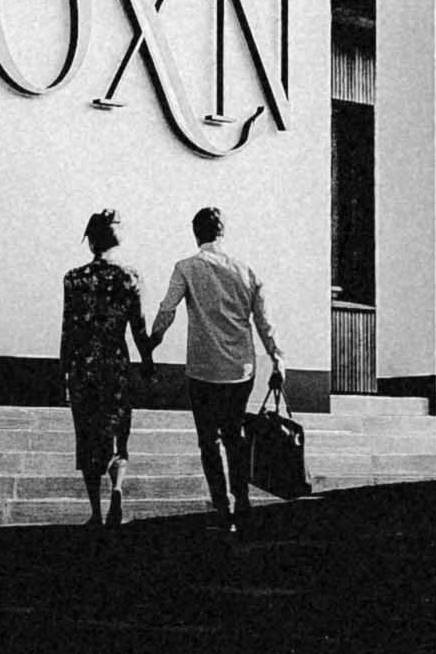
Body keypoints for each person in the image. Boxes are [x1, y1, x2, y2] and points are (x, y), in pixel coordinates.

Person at [148, 204, 285, 531]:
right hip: (241, 369)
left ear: (196, 234)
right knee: (234, 435)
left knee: (208, 440)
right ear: (223, 232)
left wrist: (151, 342)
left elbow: (168, 309)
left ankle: (222, 510)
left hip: (203, 370)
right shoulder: (246, 271)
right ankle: (243, 501)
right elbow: (265, 323)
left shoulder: (186, 267)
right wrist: (278, 359)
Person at [57, 210, 145, 527]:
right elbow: (138, 328)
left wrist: (62, 371)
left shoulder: (74, 279)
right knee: (118, 436)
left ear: (91, 241)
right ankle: (117, 492)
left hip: (83, 367)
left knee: (87, 438)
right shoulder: (129, 277)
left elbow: (68, 329)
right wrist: (147, 362)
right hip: (116, 365)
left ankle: (95, 510)